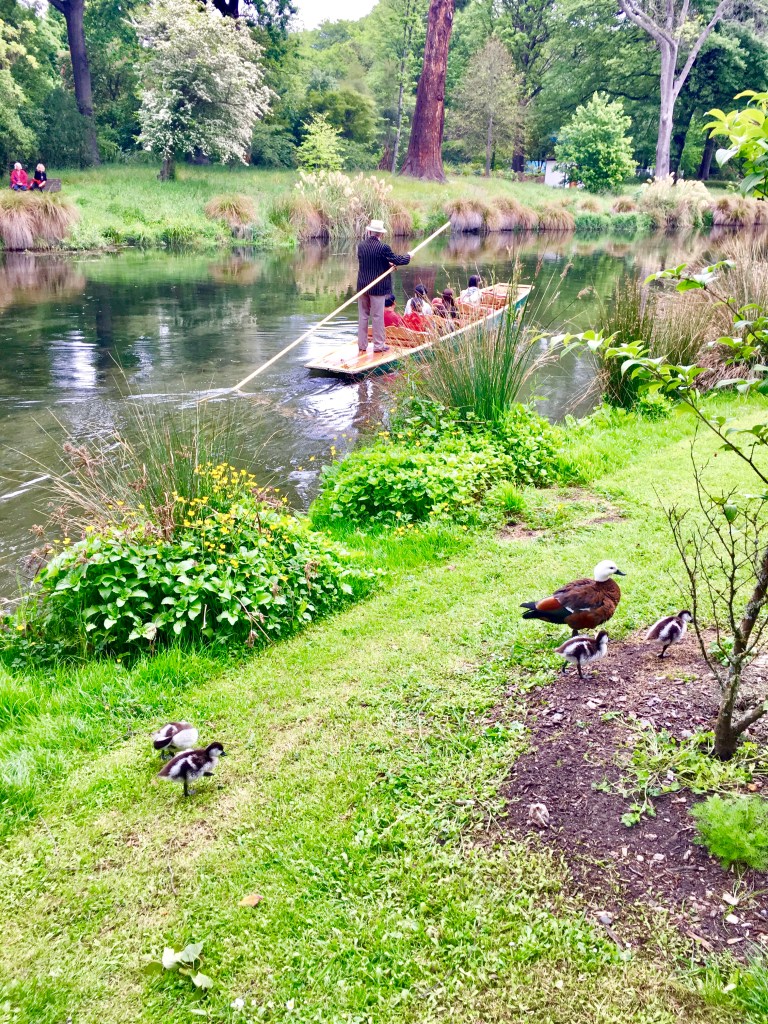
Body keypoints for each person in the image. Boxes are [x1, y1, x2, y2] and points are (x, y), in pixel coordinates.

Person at [356, 219, 410, 355]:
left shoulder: (361, 246)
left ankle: (362, 345)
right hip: (377, 288)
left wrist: (388, 265)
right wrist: (408, 256)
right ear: (381, 234)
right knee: (377, 316)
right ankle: (379, 345)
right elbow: (397, 260)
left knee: (363, 316)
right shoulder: (383, 247)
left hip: (362, 286)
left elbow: (370, 263)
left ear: (369, 232)